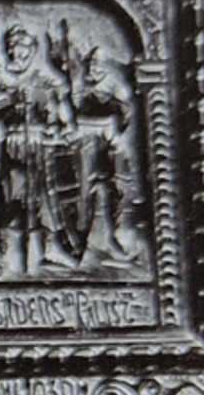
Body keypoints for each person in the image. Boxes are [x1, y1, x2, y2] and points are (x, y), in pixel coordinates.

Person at [0, 25, 78, 276]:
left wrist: (63, 127)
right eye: (12, 46)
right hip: (14, 145)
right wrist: (10, 100)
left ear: (32, 49)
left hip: (41, 145)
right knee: (12, 200)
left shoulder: (47, 79)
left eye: (22, 46)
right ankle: (4, 256)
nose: (16, 51)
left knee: (46, 200)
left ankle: (49, 250)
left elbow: (63, 112)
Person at [72, 46, 140, 259]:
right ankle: (80, 240)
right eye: (91, 63)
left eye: (98, 64)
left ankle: (114, 237)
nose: (93, 68)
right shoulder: (81, 88)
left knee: (113, 191)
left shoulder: (117, 89)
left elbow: (124, 119)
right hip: (86, 150)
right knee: (84, 193)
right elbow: (75, 120)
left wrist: (111, 126)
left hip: (109, 151)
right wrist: (104, 124)